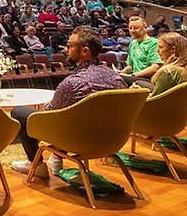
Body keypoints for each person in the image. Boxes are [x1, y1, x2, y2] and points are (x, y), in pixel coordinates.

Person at [10, 27, 127, 178]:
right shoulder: (116, 78)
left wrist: (48, 105)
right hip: (112, 139)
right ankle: (56, 159)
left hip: (78, 141)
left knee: (19, 112)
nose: (66, 49)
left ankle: (36, 164)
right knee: (72, 114)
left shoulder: (73, 83)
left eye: (70, 46)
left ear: (84, 51)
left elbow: (47, 115)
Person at [149, 32, 187, 97]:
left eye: (160, 47)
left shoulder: (168, 73)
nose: (157, 51)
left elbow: (155, 101)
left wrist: (140, 96)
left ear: (173, 49)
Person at [118, 16, 162, 88]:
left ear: (145, 27)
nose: (132, 30)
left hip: (148, 78)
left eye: (136, 28)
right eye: (130, 28)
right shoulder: (132, 44)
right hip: (135, 77)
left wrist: (133, 75)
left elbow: (155, 67)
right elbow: (131, 66)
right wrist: (123, 71)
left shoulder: (154, 43)